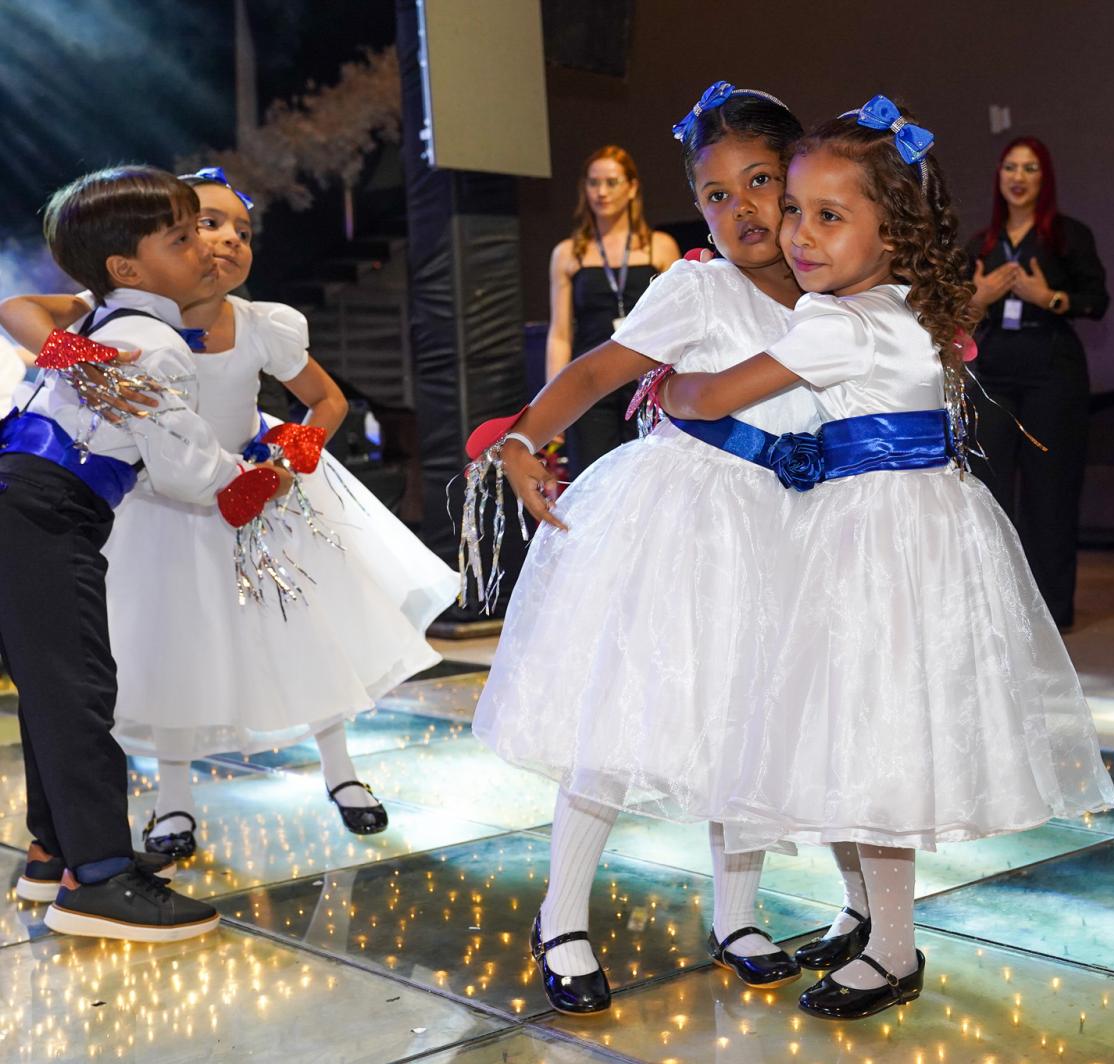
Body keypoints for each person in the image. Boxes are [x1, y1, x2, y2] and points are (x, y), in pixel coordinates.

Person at [653, 97, 1114, 1021]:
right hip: (919, 530)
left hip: (868, 541)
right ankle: (870, 916)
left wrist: (668, 386)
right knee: (867, 730)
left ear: (891, 231)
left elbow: (714, 398)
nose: (798, 234)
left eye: (829, 216)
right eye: (794, 210)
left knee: (867, 736)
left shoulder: (835, 324)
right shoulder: (906, 305)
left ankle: (895, 951)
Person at [471, 83, 813, 1015]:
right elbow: (594, 370)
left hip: (781, 530)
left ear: (800, 179)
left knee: (747, 718)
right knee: (622, 715)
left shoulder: (832, 296)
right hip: (682, 523)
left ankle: (737, 916)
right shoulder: (695, 286)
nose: (742, 210)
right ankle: (562, 914)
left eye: (761, 182)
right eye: (716, 195)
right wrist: (523, 439)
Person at [0, 169, 458, 858]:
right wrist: (74, 354)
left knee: (300, 631)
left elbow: (327, 401)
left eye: (241, 230)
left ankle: (341, 771)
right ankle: (173, 800)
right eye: (202, 227)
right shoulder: (117, 307)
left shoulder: (261, 324)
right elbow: (17, 309)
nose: (225, 241)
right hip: (160, 505)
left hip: (256, 493)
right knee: (172, 646)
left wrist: (285, 463)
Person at [0, 165, 289, 940]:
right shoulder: (152, 343)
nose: (208, 245)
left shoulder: (106, 318)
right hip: (45, 511)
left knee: (53, 688)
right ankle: (96, 880)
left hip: (27, 503)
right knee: (78, 692)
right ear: (128, 267)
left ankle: (56, 852)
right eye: (184, 236)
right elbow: (186, 469)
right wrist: (257, 477)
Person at [964, 135, 1108, 631]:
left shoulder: (1069, 236)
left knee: (1051, 493)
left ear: (1044, 178)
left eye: (1030, 168)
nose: (1018, 177)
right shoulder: (981, 243)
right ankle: (995, 609)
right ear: (998, 176)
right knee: (988, 490)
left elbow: (1097, 301)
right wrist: (981, 297)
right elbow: (954, 315)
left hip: (1052, 371)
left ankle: (1051, 614)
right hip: (993, 371)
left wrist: (1049, 297)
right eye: (1010, 167)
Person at [544, 146, 680, 476]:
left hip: (646, 377)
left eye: (611, 182)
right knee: (592, 478)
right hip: (591, 381)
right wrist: (551, 404)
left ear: (632, 187)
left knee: (649, 476)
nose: (601, 192)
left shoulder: (660, 247)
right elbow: (560, 334)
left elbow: (678, 322)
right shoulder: (567, 253)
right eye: (593, 183)